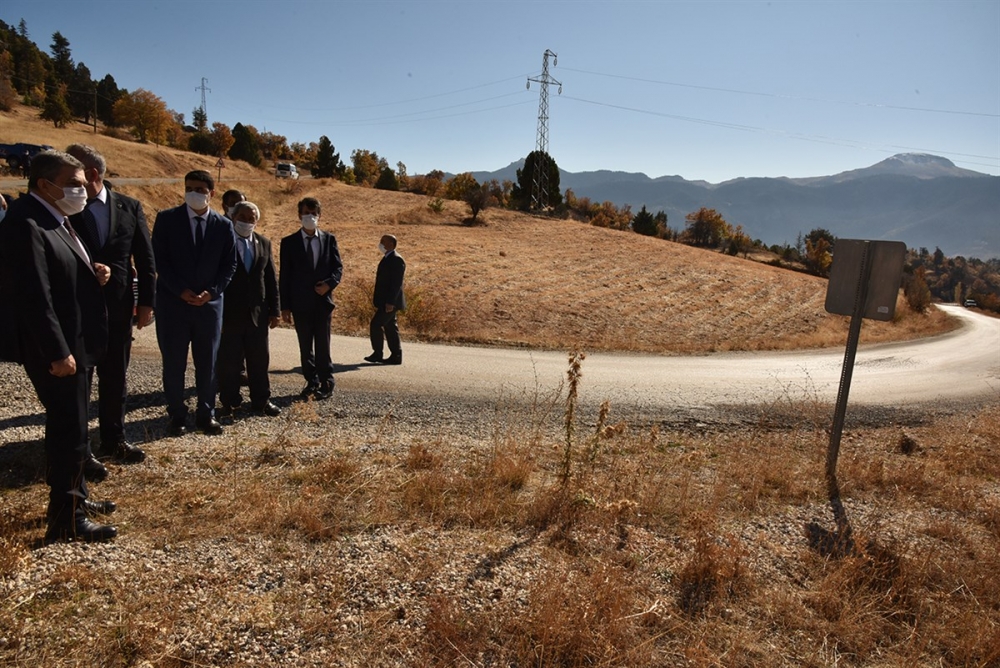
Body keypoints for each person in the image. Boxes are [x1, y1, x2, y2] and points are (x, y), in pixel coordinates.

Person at [0, 150, 117, 543]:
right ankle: (66, 519)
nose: (82, 191)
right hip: (58, 348)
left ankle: (77, 495)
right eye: (74, 184)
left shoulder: (56, 218)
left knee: (74, 427)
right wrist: (56, 351)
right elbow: (33, 294)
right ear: (45, 184)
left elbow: (59, 270)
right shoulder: (25, 223)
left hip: (74, 341)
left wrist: (92, 272)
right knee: (69, 429)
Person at [66, 144, 155, 464]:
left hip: (118, 307)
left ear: (92, 174)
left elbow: (145, 259)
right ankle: (78, 450)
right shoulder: (65, 208)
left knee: (115, 377)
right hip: (75, 308)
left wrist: (146, 303)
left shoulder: (129, 206)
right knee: (79, 381)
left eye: (74, 173)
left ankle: (114, 440)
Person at [152, 170, 237, 436]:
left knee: (208, 363)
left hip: (209, 308)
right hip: (173, 305)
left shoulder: (223, 225)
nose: (194, 193)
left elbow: (229, 265)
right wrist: (181, 291)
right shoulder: (167, 220)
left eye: (200, 189)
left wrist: (212, 292)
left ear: (211, 193)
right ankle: (177, 414)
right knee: (174, 363)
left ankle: (206, 413)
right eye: (189, 188)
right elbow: (160, 260)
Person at [217, 201, 281, 417]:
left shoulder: (264, 243)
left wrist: (275, 310)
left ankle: (261, 401)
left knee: (259, 361)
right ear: (233, 218)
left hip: (257, 314)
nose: (246, 221)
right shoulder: (223, 242)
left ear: (257, 221)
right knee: (229, 362)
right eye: (242, 217)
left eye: (251, 218)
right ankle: (230, 402)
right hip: (229, 313)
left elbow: (270, 279)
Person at [279, 197, 343, 400]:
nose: (310, 217)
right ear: (299, 215)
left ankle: (326, 382)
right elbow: (285, 275)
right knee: (305, 346)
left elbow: (337, 268)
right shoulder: (289, 243)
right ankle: (311, 381)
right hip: (300, 303)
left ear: (319, 215)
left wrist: (329, 284)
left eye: (314, 213)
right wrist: (285, 306)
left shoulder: (329, 239)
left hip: (323, 303)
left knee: (323, 345)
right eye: (306, 213)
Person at [365, 234, 406, 365]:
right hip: (385, 301)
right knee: (390, 327)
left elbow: (396, 283)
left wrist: (390, 302)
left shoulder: (396, 259)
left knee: (376, 324)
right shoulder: (387, 258)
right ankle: (396, 355)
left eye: (383, 241)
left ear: (391, 244)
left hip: (390, 302)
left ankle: (378, 353)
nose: (380, 243)